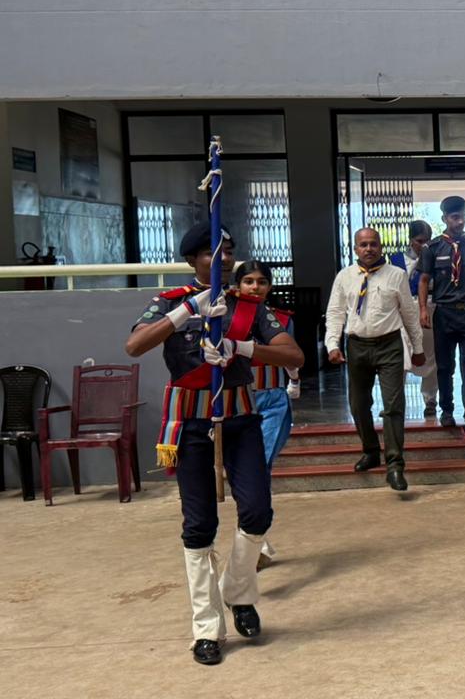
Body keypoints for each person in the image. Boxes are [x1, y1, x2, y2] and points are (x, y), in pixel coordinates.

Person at [124, 222, 304, 666]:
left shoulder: (248, 307)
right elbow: (135, 346)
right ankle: (206, 626)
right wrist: (186, 312)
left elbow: (293, 355)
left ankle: (238, 592)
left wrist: (242, 348)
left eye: (228, 250)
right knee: (199, 525)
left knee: (257, 511)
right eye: (212, 251)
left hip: (240, 418)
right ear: (192, 260)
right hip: (189, 422)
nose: (224, 258)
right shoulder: (170, 302)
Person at [325, 227, 426, 492]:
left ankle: (395, 465)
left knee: (393, 406)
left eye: (373, 244)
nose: (368, 249)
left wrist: (417, 347)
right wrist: (332, 345)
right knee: (358, 404)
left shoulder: (396, 275)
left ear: (381, 247)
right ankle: (370, 452)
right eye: (363, 245)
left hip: (390, 345)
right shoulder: (344, 277)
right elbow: (335, 312)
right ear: (356, 249)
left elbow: (409, 314)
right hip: (357, 345)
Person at [234, 260, 301, 569]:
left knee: (258, 469)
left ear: (270, 286)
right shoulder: (227, 318)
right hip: (237, 401)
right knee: (245, 474)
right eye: (248, 281)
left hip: (272, 400)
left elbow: (291, 357)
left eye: (261, 281)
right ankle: (257, 538)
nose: (255, 287)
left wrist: (294, 381)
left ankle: (252, 546)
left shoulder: (281, 319)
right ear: (237, 285)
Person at [417, 196, 465, 438]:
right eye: (454, 217)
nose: (459, 222)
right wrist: (422, 309)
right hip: (444, 314)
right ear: (445, 219)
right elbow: (424, 280)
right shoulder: (432, 248)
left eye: (462, 217)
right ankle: (446, 410)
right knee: (444, 366)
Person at [391, 219, 439, 422]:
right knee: (401, 353)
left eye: (428, 241)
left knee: (430, 354)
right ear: (411, 240)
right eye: (420, 241)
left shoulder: (436, 257)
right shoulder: (395, 260)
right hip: (404, 308)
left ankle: (430, 399)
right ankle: (396, 400)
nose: (424, 245)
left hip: (430, 306)